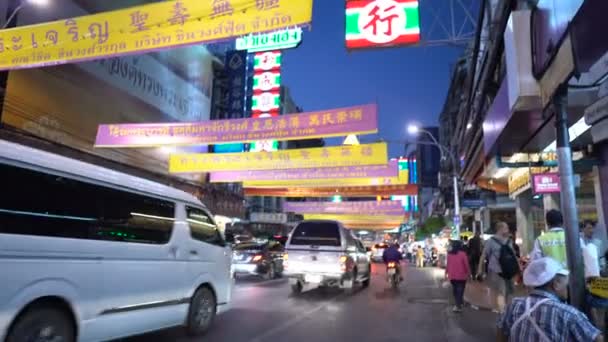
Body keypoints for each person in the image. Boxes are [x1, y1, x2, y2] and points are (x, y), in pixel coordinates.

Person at [497, 257, 603, 342]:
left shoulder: (514, 305)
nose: (568, 285)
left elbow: (501, 334)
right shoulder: (569, 314)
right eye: (566, 282)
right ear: (556, 284)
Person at [477, 221, 517, 313]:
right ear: (500, 229)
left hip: (506, 271)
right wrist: (480, 269)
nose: (507, 230)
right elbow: (483, 256)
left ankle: (506, 311)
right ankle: (503, 312)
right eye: (506, 228)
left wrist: (518, 268)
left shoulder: (508, 240)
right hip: (498, 271)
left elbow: (513, 255)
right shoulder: (492, 241)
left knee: (507, 292)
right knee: (502, 292)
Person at [446, 240, 470, 312]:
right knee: (461, 290)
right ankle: (458, 305)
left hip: (452, 276)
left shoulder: (449, 254)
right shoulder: (463, 254)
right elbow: (466, 265)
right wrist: (469, 273)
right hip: (462, 275)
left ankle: (458, 303)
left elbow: (448, 265)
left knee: (455, 289)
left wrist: (446, 273)